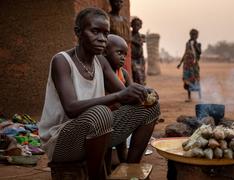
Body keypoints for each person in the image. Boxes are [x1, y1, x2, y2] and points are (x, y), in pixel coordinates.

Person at [38, 7, 160, 179]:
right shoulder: (62, 61)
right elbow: (71, 108)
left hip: (97, 132)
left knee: (151, 107)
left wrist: (144, 94)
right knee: (101, 113)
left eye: (105, 33)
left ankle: (131, 172)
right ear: (78, 32)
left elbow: (125, 93)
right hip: (61, 141)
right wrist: (119, 96)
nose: (102, 39)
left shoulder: (101, 62)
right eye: (95, 31)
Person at [104, 34, 131, 164]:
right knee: (107, 148)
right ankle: (108, 168)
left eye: (125, 55)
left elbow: (132, 90)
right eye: (119, 53)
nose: (123, 58)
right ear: (105, 52)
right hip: (104, 117)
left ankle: (124, 160)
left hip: (119, 114)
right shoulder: (101, 72)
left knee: (122, 140)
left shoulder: (123, 73)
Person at [177, 29, 202, 102]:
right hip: (187, 65)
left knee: (196, 79)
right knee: (187, 80)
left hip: (194, 65)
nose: (195, 36)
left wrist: (195, 46)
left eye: (196, 35)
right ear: (191, 35)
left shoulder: (198, 44)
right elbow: (185, 53)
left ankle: (200, 96)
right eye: (193, 35)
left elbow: (199, 52)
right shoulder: (187, 43)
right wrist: (180, 63)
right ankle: (189, 97)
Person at [108, 0, 131, 75]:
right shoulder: (108, 18)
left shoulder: (124, 20)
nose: (118, 4)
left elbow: (128, 38)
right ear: (111, 3)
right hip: (112, 51)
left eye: (121, 2)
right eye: (116, 1)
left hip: (123, 51)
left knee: (123, 73)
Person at [131, 17, 146, 85]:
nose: (136, 27)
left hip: (140, 59)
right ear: (131, 25)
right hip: (132, 59)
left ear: (140, 26)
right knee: (135, 75)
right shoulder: (129, 34)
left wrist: (131, 39)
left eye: (138, 25)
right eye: (134, 25)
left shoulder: (141, 36)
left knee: (141, 77)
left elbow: (140, 43)